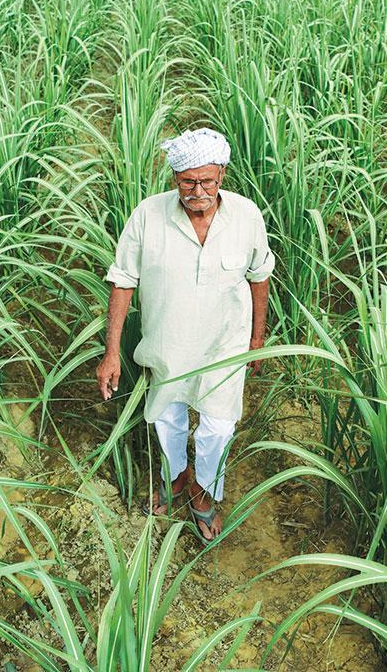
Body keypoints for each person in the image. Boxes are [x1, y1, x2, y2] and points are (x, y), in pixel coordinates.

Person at [95, 127, 274, 545]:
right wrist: (111, 353)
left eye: (206, 181)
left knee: (218, 427)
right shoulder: (147, 215)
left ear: (222, 175)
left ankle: (203, 491)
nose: (197, 191)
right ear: (174, 178)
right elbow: (123, 281)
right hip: (167, 345)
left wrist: (257, 338)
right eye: (187, 182)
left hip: (224, 348)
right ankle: (175, 479)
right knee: (166, 418)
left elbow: (260, 277)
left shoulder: (246, 216)